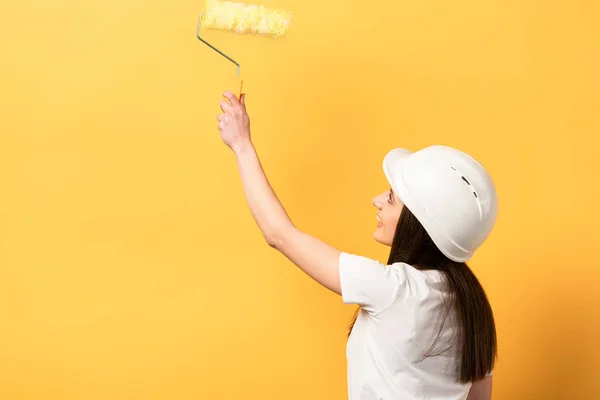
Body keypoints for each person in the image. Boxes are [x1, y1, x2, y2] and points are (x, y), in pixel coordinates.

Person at [216, 91, 498, 400]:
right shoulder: (474, 308)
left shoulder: (395, 289)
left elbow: (279, 234)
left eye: (391, 199)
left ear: (418, 225)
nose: (377, 201)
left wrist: (241, 145)